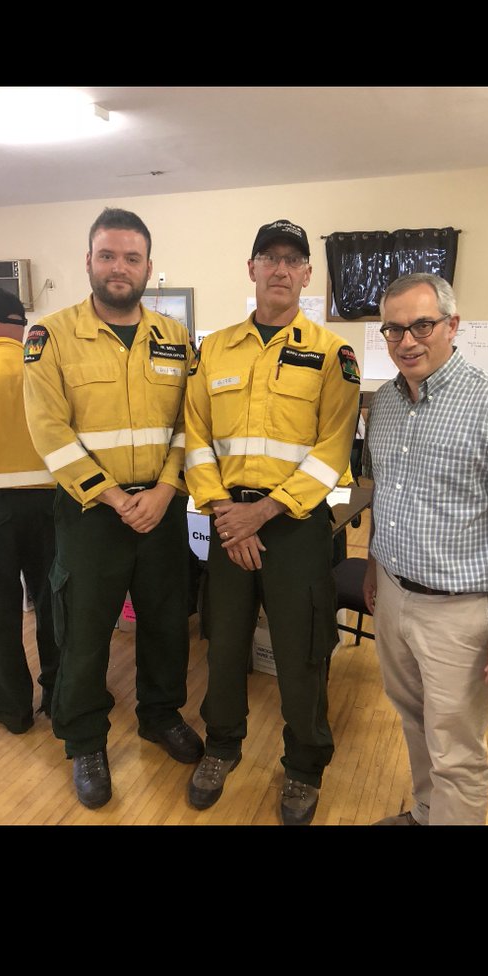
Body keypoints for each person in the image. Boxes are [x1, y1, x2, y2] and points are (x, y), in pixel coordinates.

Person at [23, 207, 204, 809]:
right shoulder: (50, 337)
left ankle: (159, 713)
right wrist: (112, 495)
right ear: (89, 262)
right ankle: (84, 738)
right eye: (108, 255)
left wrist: (164, 490)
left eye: (131, 257)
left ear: (149, 267)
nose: (119, 267)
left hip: (160, 507)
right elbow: (49, 431)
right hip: (91, 514)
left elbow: (191, 424)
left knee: (164, 619)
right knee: (83, 632)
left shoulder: (175, 339)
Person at [184, 218, 361, 825]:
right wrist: (226, 515)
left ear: (308, 274)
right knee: (226, 643)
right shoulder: (213, 349)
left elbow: (334, 448)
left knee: (301, 651)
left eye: (293, 260)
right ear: (252, 268)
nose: (281, 269)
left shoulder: (332, 354)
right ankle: (222, 746)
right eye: (270, 258)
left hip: (294, 526)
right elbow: (196, 437)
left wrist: (262, 512)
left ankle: (305, 767)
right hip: (228, 519)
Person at [362, 272, 488, 826]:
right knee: (414, 721)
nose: (407, 340)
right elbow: (386, 494)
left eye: (422, 324)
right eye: (393, 329)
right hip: (394, 597)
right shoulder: (388, 404)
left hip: (458, 612)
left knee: (457, 750)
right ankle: (425, 814)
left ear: (452, 325)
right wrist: (375, 567)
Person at [0, 289, 60, 734]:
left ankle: (12, 709)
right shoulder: (45, 368)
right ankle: (61, 696)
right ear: (21, 325)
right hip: (50, 504)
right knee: (56, 605)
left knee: (0, 612)